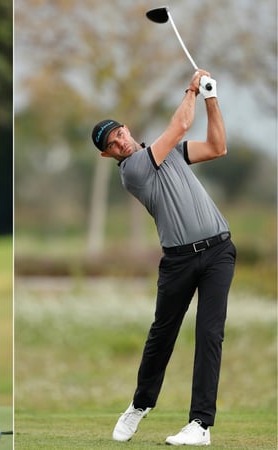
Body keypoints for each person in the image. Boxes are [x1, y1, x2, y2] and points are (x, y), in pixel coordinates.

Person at [92, 70, 235, 446]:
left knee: (210, 334)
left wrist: (211, 97)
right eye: (111, 143)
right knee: (162, 335)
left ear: (126, 128)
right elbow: (181, 122)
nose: (119, 142)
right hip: (179, 262)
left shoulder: (169, 153)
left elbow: (218, 147)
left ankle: (200, 425)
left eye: (119, 133)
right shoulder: (133, 171)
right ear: (107, 154)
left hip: (219, 251)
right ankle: (140, 405)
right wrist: (192, 89)